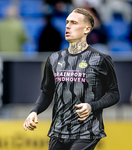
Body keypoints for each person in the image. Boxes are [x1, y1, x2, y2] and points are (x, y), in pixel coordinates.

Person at [23, 8, 120, 150]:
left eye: (73, 23)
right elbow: (47, 92)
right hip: (58, 131)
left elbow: (114, 94)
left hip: (87, 131)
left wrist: (91, 106)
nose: (67, 26)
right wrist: (34, 111)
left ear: (87, 29)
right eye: (67, 22)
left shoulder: (101, 59)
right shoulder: (54, 59)